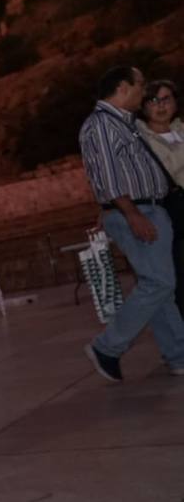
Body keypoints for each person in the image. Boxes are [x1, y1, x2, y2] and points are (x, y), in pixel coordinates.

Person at [79, 66, 184, 381]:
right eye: (140, 86)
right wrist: (131, 213)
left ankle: (178, 355)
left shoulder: (122, 123)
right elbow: (108, 178)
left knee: (160, 285)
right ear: (123, 87)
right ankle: (107, 347)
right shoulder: (101, 125)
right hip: (135, 212)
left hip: (148, 209)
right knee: (160, 283)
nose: (144, 93)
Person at [138, 78, 184, 317]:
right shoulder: (140, 141)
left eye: (166, 98)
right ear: (144, 106)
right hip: (172, 216)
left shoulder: (182, 131)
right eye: (154, 100)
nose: (161, 105)